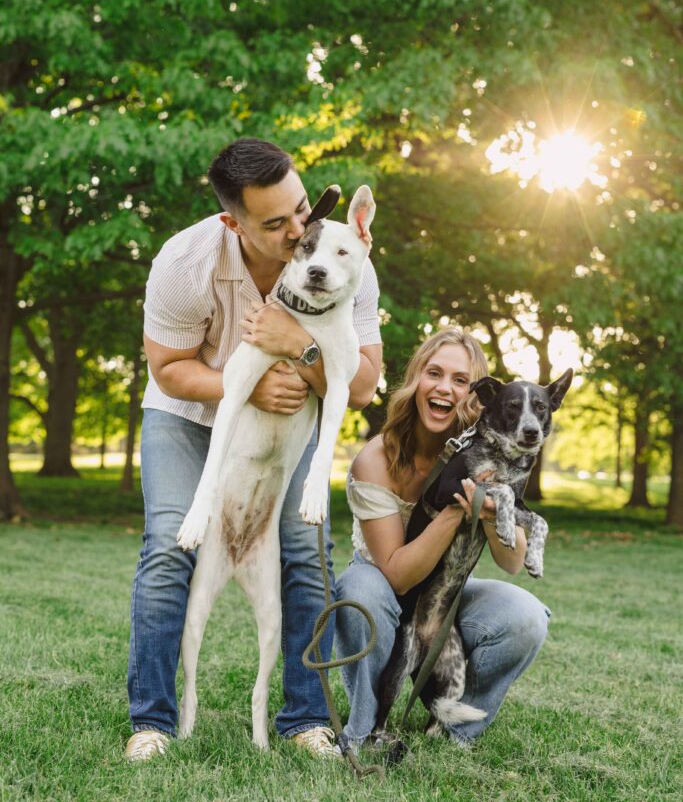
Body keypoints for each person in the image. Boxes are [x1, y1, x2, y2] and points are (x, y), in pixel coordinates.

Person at [125, 138, 382, 761]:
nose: (299, 230)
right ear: (231, 222)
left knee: (303, 546)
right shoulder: (184, 263)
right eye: (276, 223)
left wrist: (299, 344)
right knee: (168, 543)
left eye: (300, 208)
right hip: (190, 412)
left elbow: (366, 384)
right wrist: (249, 387)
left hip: (286, 428)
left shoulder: (344, 257)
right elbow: (166, 369)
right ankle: (152, 722)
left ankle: (305, 719)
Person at [335, 327, 550, 750]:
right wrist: (458, 509)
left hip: (445, 587)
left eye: (460, 380)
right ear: (417, 378)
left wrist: (492, 514)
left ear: (479, 396)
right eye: (435, 373)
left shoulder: (488, 449)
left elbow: (510, 562)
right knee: (362, 590)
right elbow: (396, 576)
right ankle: (364, 730)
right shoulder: (376, 457)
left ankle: (454, 729)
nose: (446, 389)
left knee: (525, 613)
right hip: (386, 583)